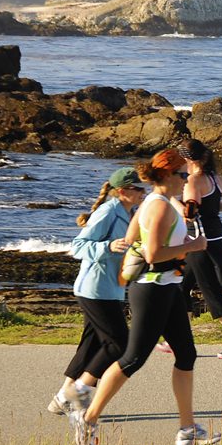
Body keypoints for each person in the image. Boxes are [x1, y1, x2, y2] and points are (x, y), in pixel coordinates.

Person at [68, 149, 221, 445]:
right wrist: (193, 246)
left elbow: (131, 237)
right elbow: (152, 254)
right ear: (166, 175)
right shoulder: (159, 206)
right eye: (183, 174)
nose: (187, 179)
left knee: (186, 355)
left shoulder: (154, 202)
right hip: (152, 289)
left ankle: (187, 430)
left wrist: (177, 243)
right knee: (132, 358)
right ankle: (87, 417)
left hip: (167, 286)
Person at [47, 167, 145, 418]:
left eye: (143, 187)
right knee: (119, 344)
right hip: (94, 288)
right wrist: (108, 247)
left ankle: (61, 398)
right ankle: (74, 393)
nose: (143, 191)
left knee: (92, 344)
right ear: (122, 191)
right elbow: (78, 246)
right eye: (137, 188)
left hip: (112, 288)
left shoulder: (131, 212)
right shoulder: (108, 212)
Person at [175, 138, 222, 359]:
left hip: (200, 242)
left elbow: (189, 214)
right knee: (181, 285)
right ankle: (180, 338)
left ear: (187, 159)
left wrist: (168, 198)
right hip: (213, 237)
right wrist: (210, 212)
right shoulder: (214, 178)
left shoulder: (193, 181)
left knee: (211, 291)